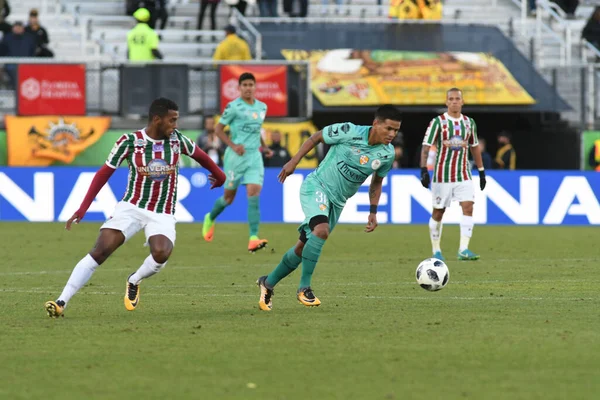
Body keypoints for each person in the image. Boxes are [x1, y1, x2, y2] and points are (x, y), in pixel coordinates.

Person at [44, 98, 226, 318]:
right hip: (131, 207)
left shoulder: (178, 141)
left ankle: (134, 279)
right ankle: (61, 301)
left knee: (161, 253)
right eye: (172, 120)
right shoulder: (130, 141)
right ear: (157, 119)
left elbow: (202, 157)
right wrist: (84, 206)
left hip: (162, 212)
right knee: (100, 251)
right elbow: (104, 173)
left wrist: (220, 175)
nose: (175, 125)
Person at [256, 105, 402, 311]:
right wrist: (294, 162)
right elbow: (315, 137)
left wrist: (373, 212)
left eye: (395, 131)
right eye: (388, 128)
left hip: (338, 201)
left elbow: (376, 183)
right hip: (317, 185)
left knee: (302, 248)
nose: (392, 134)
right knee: (321, 230)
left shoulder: (386, 155)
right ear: (376, 123)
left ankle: (267, 283)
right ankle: (304, 288)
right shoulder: (348, 131)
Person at [202, 72, 274, 252]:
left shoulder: (262, 107)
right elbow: (218, 130)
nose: (248, 88)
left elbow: (257, 130)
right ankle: (210, 217)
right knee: (229, 198)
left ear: (255, 87)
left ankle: (253, 237)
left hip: (254, 156)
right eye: (245, 85)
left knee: (254, 192)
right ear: (239, 88)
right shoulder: (233, 107)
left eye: (251, 85)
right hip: (236, 157)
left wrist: (264, 147)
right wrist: (233, 146)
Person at [420, 88, 486, 262]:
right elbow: (426, 146)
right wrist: (423, 169)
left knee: (468, 207)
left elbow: (474, 146)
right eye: (451, 99)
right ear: (446, 102)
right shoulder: (438, 122)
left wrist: (481, 171)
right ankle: (436, 250)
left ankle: (463, 249)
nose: (455, 101)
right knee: (438, 211)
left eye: (458, 98)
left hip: (463, 174)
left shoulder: (469, 123)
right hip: (442, 175)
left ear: (462, 102)